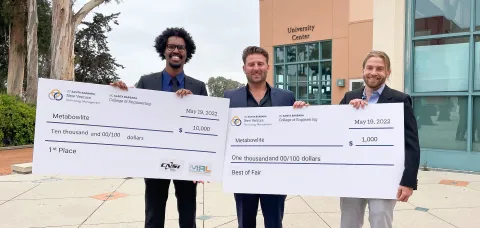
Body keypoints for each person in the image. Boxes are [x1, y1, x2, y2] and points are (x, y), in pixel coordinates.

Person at [111, 27, 207, 228]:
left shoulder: (198, 87)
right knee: (154, 214)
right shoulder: (147, 82)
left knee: (188, 214)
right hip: (154, 159)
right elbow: (134, 116)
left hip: (186, 160)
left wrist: (203, 166)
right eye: (171, 46)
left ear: (187, 53)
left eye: (181, 47)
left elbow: (204, 127)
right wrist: (120, 95)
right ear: (163, 50)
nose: (176, 51)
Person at [223, 46, 307, 228]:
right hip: (243, 172)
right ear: (244, 68)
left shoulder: (286, 97)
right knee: (245, 223)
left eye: (260, 63)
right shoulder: (229, 97)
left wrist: (301, 113)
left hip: (275, 173)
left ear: (268, 67)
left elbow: (295, 133)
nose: (256, 68)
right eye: (251, 64)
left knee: (274, 223)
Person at [339, 50, 420, 228]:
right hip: (353, 175)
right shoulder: (349, 97)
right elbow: (337, 132)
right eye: (369, 67)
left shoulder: (400, 100)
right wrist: (348, 113)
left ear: (388, 72)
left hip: (385, 175)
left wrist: (408, 182)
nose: (374, 72)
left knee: (380, 221)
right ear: (362, 71)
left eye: (379, 68)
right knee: (348, 222)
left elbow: (411, 144)